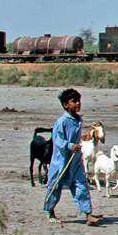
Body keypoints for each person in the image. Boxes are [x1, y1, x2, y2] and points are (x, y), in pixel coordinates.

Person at [43, 88, 103, 226]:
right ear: (65, 105)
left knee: (81, 185)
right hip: (61, 161)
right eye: (73, 101)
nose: (77, 104)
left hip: (75, 160)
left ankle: (88, 215)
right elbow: (56, 140)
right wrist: (70, 146)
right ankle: (50, 211)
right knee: (55, 187)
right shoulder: (62, 121)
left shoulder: (78, 120)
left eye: (78, 101)